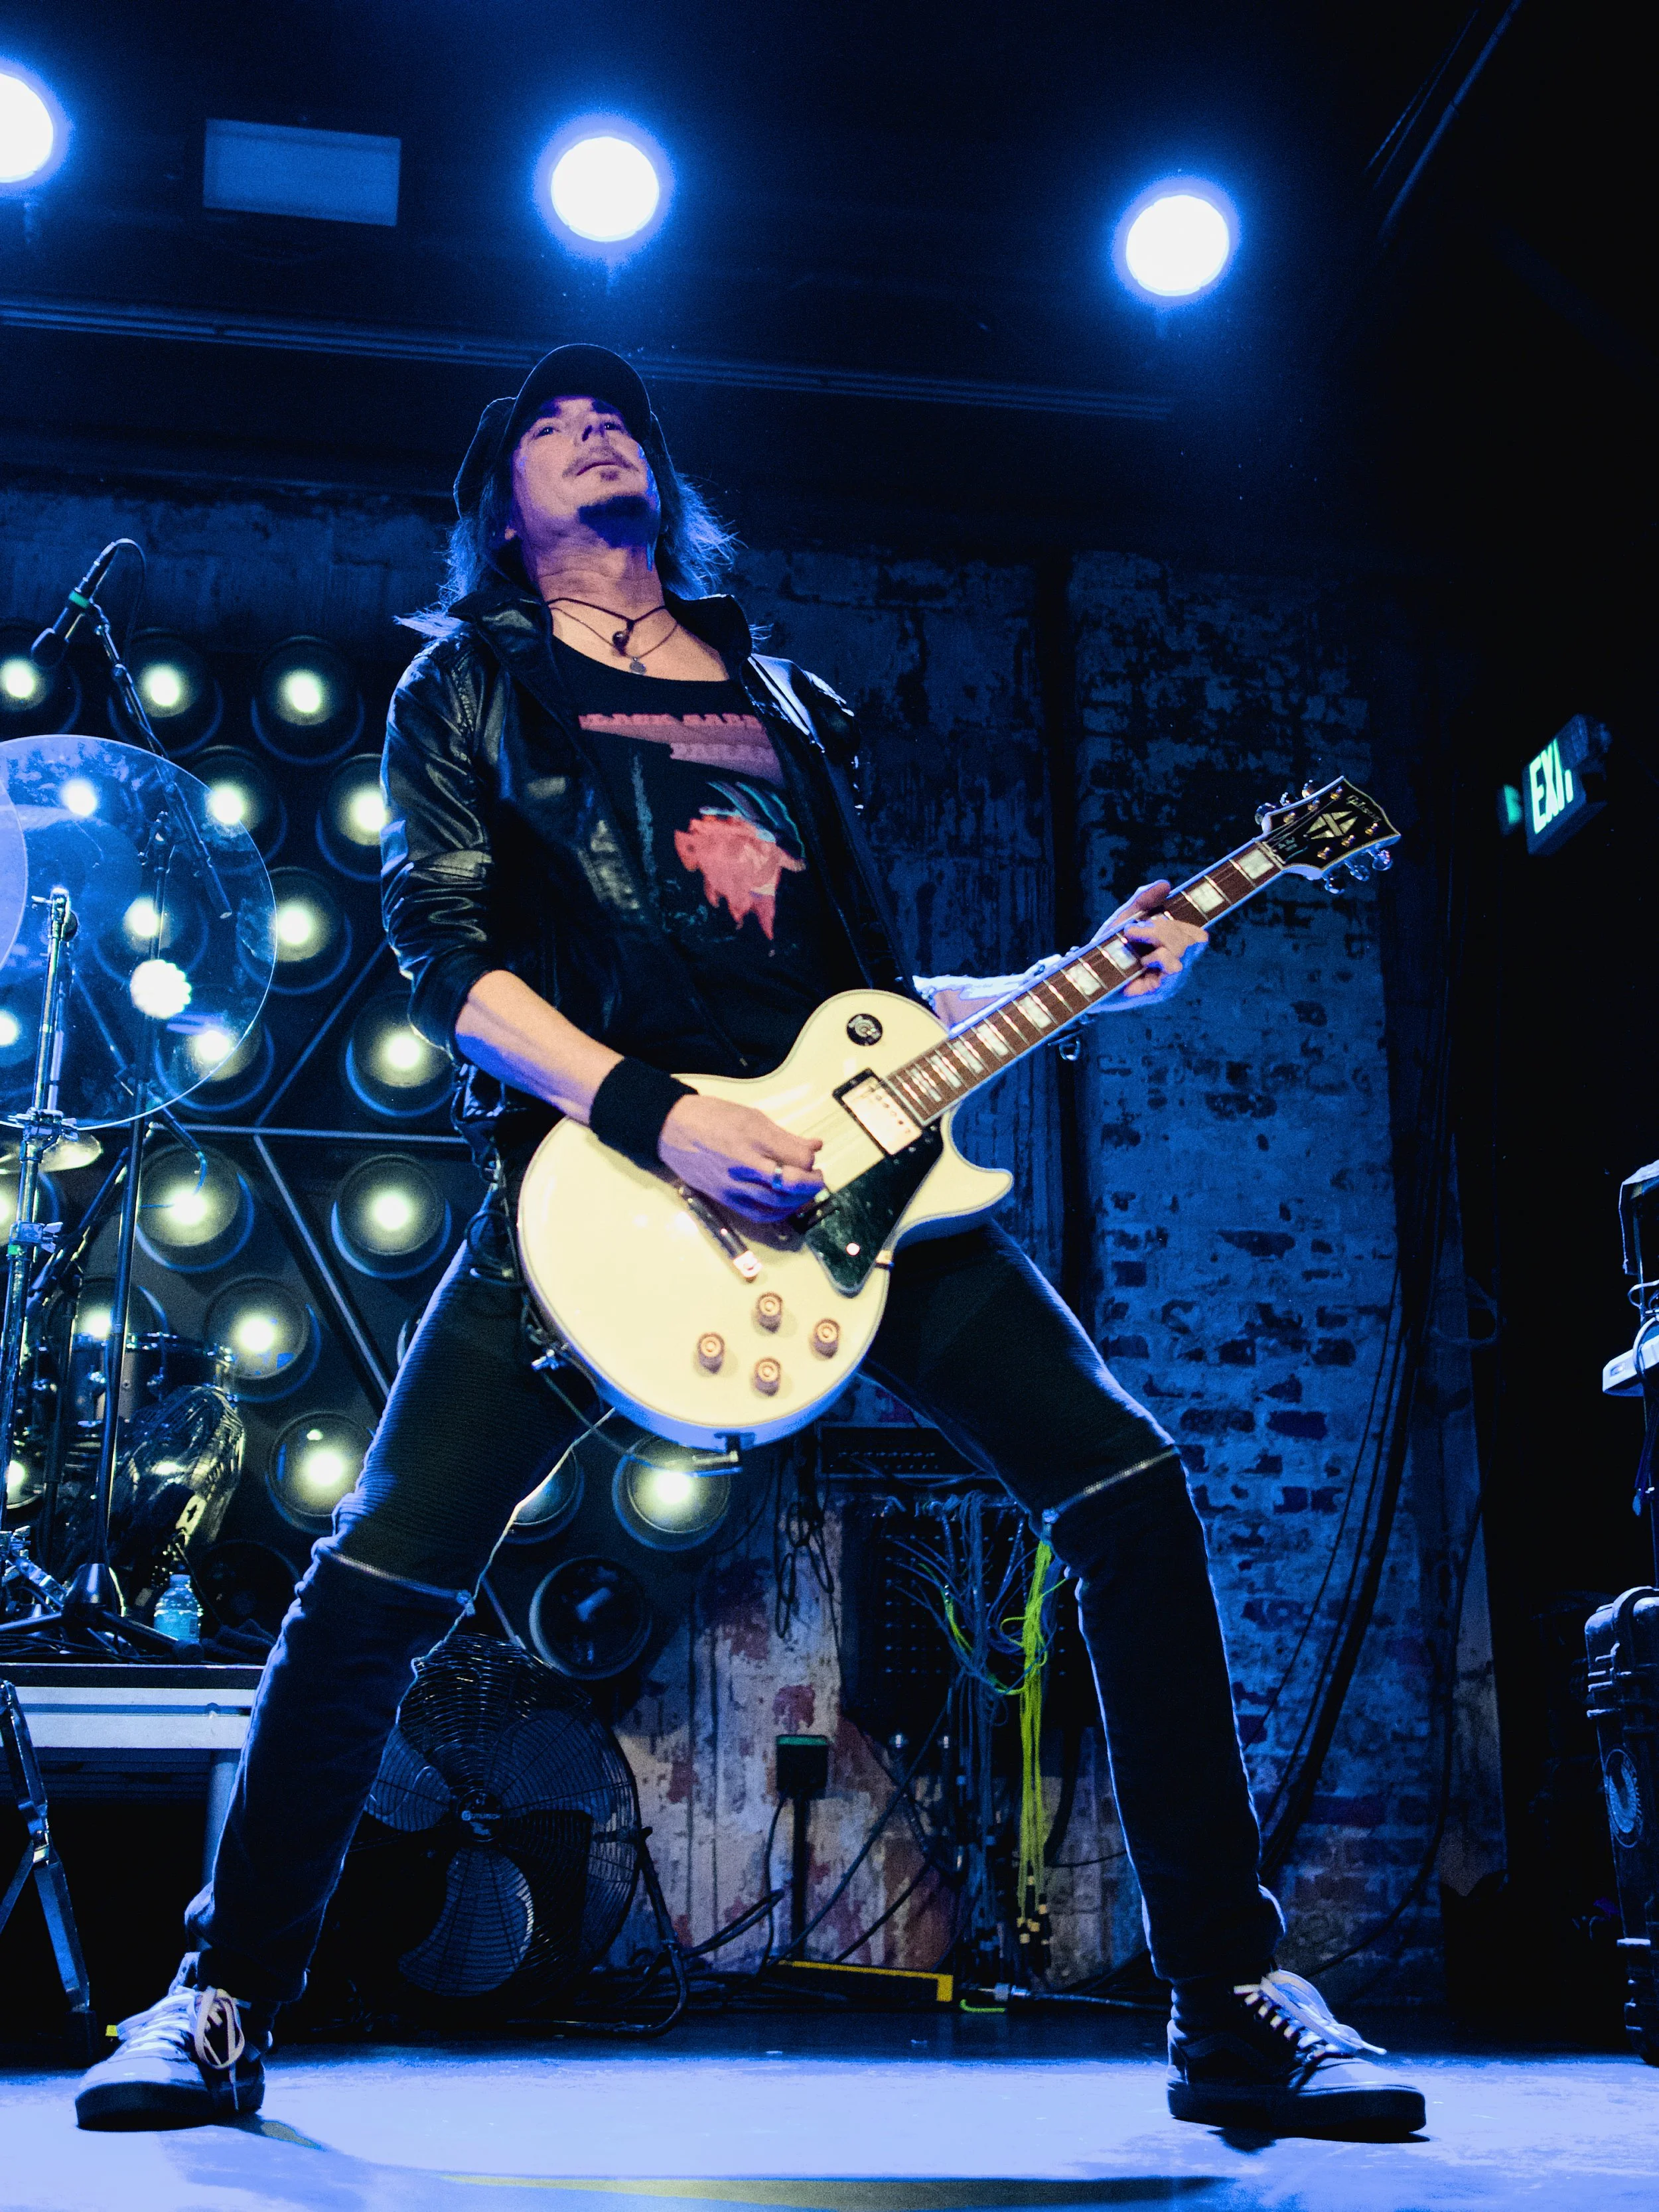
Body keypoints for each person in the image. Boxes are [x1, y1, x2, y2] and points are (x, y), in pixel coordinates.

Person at [76, 344, 1425, 2140]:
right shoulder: (468, 686)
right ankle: (225, 1991)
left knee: (1128, 1486)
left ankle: (1230, 1994)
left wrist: (1083, 970)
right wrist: (660, 1116)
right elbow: (449, 967)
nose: (588, 424)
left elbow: (869, 1011)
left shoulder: (784, 697)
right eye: (547, 425)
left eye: (611, 412)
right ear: (502, 510)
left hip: (852, 1192)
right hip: (593, 1194)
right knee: (377, 1580)